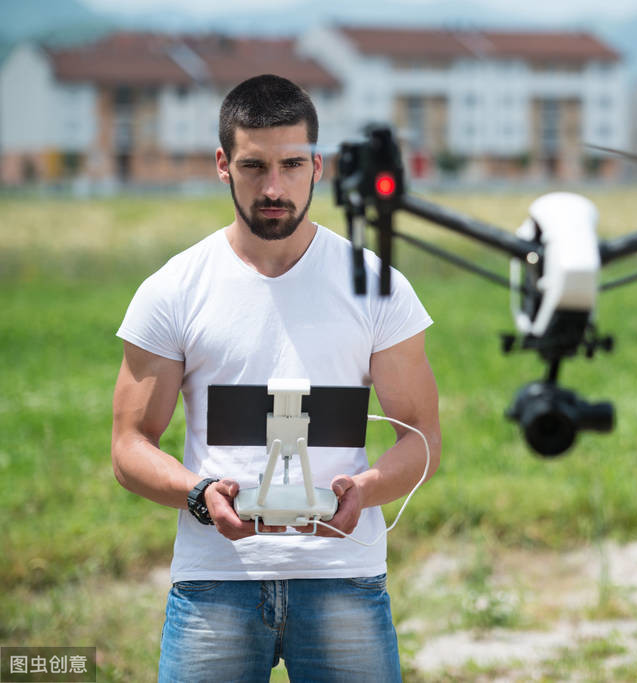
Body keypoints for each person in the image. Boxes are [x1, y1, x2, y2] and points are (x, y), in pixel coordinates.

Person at [111, 73, 440, 681]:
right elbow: (129, 446)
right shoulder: (173, 289)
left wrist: (365, 490)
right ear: (222, 164)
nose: (273, 186)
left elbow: (420, 438)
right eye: (253, 165)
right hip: (215, 581)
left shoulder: (377, 285)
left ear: (318, 165)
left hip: (344, 578)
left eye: (291, 164)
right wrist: (199, 495)